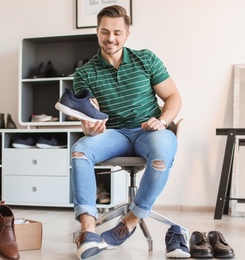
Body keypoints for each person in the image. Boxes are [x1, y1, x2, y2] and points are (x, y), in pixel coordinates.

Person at [71, 5, 187, 260]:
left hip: (150, 130)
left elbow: (173, 96)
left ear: (127, 35)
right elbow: (89, 115)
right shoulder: (85, 73)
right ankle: (88, 231)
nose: (110, 38)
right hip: (115, 134)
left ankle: (130, 221)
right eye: (104, 32)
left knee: (160, 155)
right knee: (79, 151)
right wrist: (89, 126)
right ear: (97, 32)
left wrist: (163, 120)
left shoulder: (146, 59)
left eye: (117, 32)